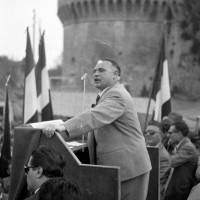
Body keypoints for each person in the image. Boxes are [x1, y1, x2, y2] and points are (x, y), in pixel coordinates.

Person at [43, 59, 152, 200]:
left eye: (101, 70)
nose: (95, 74)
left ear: (116, 75)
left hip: (129, 169)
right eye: (94, 71)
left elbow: (95, 116)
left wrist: (64, 126)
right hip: (122, 168)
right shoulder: (107, 94)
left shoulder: (117, 95)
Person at [164, 120, 198, 200]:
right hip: (173, 188)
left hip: (178, 191)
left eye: (170, 133)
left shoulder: (188, 147)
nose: (168, 135)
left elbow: (170, 162)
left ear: (179, 134)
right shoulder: (179, 145)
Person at [144, 120, 171, 200]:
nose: (147, 135)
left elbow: (154, 182)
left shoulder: (164, 157)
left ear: (161, 136)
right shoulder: (143, 148)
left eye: (151, 133)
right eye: (146, 132)